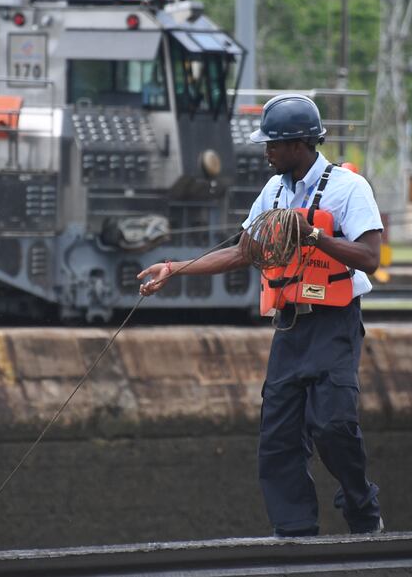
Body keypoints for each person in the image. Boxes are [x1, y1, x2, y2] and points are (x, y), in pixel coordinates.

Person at [138, 94, 383, 536]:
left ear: (299, 144)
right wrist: (173, 270)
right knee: (279, 439)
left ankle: (360, 501)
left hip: (334, 324)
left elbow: (369, 257)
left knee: (333, 425)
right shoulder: (273, 191)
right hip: (289, 327)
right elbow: (244, 251)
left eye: (272, 143)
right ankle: (295, 534)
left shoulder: (350, 188)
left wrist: (313, 236)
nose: (265, 150)